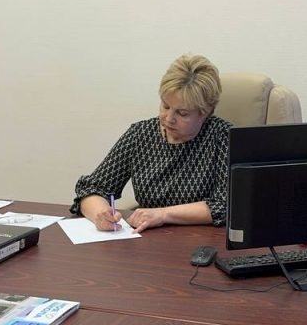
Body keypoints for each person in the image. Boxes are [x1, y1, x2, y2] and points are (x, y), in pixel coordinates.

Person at [71, 54, 230, 233]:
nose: (169, 118)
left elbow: (225, 205)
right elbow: (92, 188)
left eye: (182, 113)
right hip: (147, 239)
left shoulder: (224, 138)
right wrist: (100, 214)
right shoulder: (141, 134)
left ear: (206, 112)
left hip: (203, 240)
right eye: (165, 106)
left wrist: (162, 214)